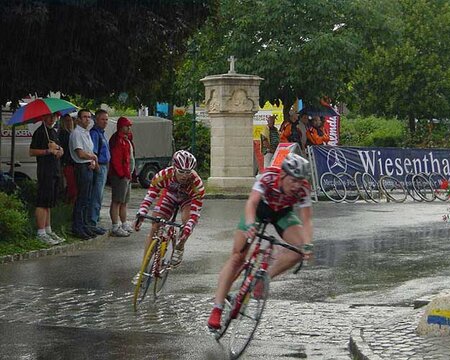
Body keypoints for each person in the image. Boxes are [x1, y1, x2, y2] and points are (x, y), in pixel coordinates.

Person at [207, 153, 313, 330]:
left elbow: (307, 219)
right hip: (259, 210)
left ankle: (263, 279)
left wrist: (308, 244)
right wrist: (249, 224)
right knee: (238, 257)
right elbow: (252, 202)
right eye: (293, 180)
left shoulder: (303, 188)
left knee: (299, 250)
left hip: (282, 213)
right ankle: (217, 308)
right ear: (283, 175)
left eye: (300, 181)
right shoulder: (269, 177)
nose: (296, 186)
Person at [134, 150, 205, 279]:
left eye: (188, 172)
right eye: (181, 172)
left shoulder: (197, 184)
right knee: (155, 225)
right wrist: (142, 213)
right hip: (170, 195)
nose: (184, 176)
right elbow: (150, 196)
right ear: (174, 168)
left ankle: (180, 245)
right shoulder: (163, 175)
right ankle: (143, 269)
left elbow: (195, 212)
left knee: (186, 221)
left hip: (187, 199)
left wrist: (188, 227)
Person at [29, 113, 66, 245]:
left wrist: (59, 150)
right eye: (49, 116)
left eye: (54, 116)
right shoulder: (40, 132)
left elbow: (58, 148)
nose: (52, 119)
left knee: (49, 202)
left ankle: (48, 229)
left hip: (54, 170)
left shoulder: (52, 132)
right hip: (45, 171)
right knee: (43, 202)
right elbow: (32, 151)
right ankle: (41, 232)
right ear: (44, 117)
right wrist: (47, 151)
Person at [69, 109, 99, 239]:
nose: (87, 119)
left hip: (88, 166)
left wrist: (92, 159)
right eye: (84, 117)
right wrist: (93, 157)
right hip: (81, 167)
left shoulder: (86, 133)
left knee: (87, 199)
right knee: (82, 199)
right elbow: (80, 153)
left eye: (89, 117)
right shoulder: (76, 134)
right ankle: (77, 227)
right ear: (79, 119)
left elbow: (88, 152)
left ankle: (85, 226)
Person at [109, 116, 135, 237]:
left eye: (130, 126)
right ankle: (115, 225)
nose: (129, 128)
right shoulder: (117, 140)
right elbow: (116, 159)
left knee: (124, 201)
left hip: (127, 174)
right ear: (121, 126)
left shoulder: (126, 139)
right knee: (117, 201)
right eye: (127, 126)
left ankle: (124, 223)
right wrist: (121, 174)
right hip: (120, 175)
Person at [88, 109, 110, 233]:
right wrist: (97, 168)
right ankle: (92, 223)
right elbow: (94, 153)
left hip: (104, 166)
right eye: (103, 119)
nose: (105, 122)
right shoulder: (95, 134)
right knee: (96, 195)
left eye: (106, 119)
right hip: (99, 166)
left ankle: (95, 220)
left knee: (100, 196)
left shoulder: (102, 133)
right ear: (96, 120)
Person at [58, 113, 77, 204]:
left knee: (72, 187)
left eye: (71, 120)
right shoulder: (64, 134)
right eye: (68, 121)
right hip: (67, 163)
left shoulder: (70, 133)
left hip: (70, 163)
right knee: (71, 187)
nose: (70, 122)